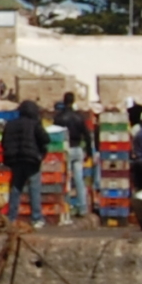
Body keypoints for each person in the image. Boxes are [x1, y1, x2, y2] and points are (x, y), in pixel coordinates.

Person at [4, 99, 48, 228]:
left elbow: (4, 142)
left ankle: (11, 217)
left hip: (15, 160)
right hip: (32, 159)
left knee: (16, 188)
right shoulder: (34, 124)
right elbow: (45, 139)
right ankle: (36, 218)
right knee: (34, 188)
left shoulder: (10, 124)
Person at [55, 90, 91, 221]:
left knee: (66, 181)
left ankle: (67, 208)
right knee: (79, 180)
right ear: (73, 101)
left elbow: (56, 135)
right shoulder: (79, 117)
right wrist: (89, 152)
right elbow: (87, 135)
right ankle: (83, 208)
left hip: (66, 149)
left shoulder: (59, 117)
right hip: (78, 149)